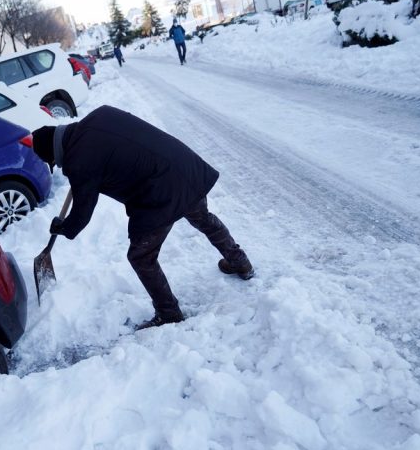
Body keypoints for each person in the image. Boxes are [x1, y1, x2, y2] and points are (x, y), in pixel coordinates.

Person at [31, 106, 254, 331]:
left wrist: (63, 228)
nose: (59, 166)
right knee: (202, 217)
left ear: (54, 153)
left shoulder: (79, 161)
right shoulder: (100, 114)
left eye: (55, 162)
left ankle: (169, 312)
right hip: (182, 165)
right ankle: (239, 261)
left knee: (141, 256)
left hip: (160, 190)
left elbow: (81, 215)